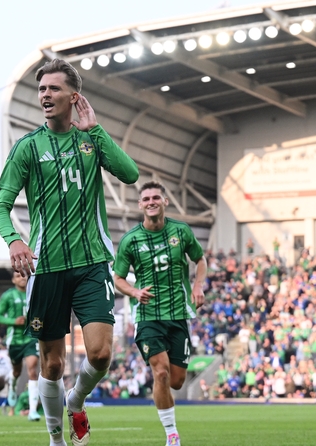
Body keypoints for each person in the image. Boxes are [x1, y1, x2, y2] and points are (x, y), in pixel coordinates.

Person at [0, 58, 139, 446]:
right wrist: (14, 240)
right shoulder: (27, 147)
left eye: (53, 88)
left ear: (74, 96)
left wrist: (98, 130)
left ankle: (77, 400)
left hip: (92, 263)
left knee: (101, 353)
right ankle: (57, 439)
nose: (45, 95)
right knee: (53, 363)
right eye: (41, 89)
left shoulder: (91, 140)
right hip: (47, 267)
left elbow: (130, 174)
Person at [112, 181, 207, 446]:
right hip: (148, 316)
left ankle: (169, 422)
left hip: (178, 314)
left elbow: (200, 260)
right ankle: (171, 435)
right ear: (140, 205)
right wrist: (134, 292)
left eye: (156, 197)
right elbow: (118, 277)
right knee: (161, 373)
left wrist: (198, 285)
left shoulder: (181, 231)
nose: (151, 201)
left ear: (165, 201)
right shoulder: (131, 239)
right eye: (146, 198)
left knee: (176, 381)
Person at [0, 271, 41, 421]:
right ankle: (12, 385)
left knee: (32, 370)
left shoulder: (34, 292)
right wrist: (14, 321)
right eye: (19, 276)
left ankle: (33, 411)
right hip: (14, 341)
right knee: (16, 372)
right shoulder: (8, 295)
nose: (22, 278)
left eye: (25, 275)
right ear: (13, 279)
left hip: (31, 338)